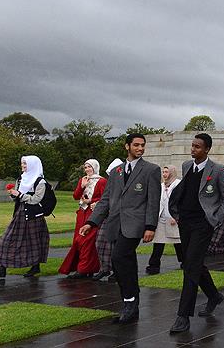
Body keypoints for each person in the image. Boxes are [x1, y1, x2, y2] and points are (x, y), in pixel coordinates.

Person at [81, 133, 161, 324]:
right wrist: (91, 222)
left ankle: (129, 301)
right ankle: (131, 302)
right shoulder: (116, 171)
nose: (140, 148)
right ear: (127, 146)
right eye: (136, 145)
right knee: (125, 263)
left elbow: (153, 201)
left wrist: (150, 226)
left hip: (135, 225)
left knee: (118, 258)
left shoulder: (151, 170)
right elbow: (106, 200)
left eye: (142, 145)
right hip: (115, 223)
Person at [167, 133, 224, 334]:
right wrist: (178, 214)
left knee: (190, 267)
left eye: (197, 147)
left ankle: (183, 316)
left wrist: (213, 219)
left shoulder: (218, 170)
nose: (193, 149)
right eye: (192, 145)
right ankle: (213, 295)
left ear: (207, 149)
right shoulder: (187, 166)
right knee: (191, 263)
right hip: (185, 222)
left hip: (202, 225)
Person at [0, 156, 50, 278]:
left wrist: (19, 194)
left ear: (32, 165)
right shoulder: (21, 179)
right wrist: (13, 194)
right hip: (20, 213)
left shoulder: (40, 182)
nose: (23, 166)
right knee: (6, 240)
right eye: (22, 163)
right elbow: (17, 198)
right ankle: (1, 268)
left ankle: (35, 267)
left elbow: (36, 199)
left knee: (33, 242)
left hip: (34, 216)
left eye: (25, 164)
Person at [59, 159, 107, 278]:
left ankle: (84, 269)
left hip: (93, 213)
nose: (87, 169)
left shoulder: (102, 181)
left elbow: (105, 199)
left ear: (95, 167)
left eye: (89, 167)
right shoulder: (83, 180)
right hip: (82, 213)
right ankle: (84, 268)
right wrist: (82, 186)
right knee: (78, 241)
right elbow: (76, 196)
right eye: (85, 167)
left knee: (87, 241)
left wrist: (91, 201)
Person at [146, 165, 183, 275]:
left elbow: (182, 201)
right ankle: (154, 266)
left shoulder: (179, 184)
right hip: (161, 218)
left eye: (166, 172)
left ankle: (185, 262)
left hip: (173, 218)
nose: (164, 174)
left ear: (172, 172)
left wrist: (177, 216)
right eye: (163, 172)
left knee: (178, 243)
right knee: (158, 243)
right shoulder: (161, 186)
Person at [93, 158, 122, 282]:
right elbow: (106, 198)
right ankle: (105, 268)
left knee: (118, 246)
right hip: (108, 217)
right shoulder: (111, 183)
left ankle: (117, 271)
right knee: (101, 242)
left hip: (120, 217)